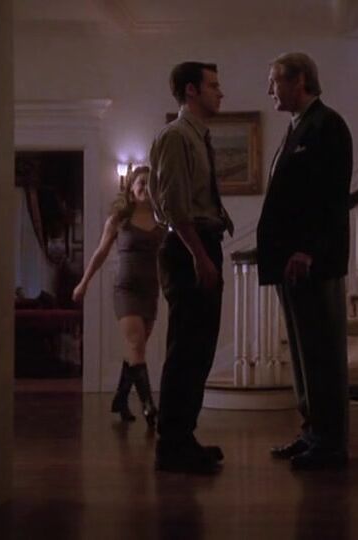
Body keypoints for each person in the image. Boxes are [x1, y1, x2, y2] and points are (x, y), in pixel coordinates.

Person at [257, 52, 353, 470]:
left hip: (312, 262)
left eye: (275, 80)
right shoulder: (297, 127)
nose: (269, 89)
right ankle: (313, 432)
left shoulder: (327, 125)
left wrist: (308, 250)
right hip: (291, 263)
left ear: (299, 81)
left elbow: (330, 198)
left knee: (322, 354)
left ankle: (330, 444)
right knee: (302, 353)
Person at [148, 61, 234, 474]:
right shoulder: (176, 137)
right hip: (188, 248)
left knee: (199, 349)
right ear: (191, 91)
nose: (221, 92)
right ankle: (172, 444)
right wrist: (200, 256)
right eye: (213, 85)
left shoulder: (198, 137)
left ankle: (183, 437)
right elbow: (175, 207)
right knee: (186, 349)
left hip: (202, 244)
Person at [73, 166, 161, 427]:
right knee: (136, 344)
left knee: (136, 348)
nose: (145, 187)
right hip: (126, 289)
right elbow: (100, 253)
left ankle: (120, 399)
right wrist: (84, 283)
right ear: (131, 188)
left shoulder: (161, 218)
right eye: (141, 183)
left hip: (151, 290)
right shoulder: (119, 219)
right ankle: (149, 406)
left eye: (150, 183)